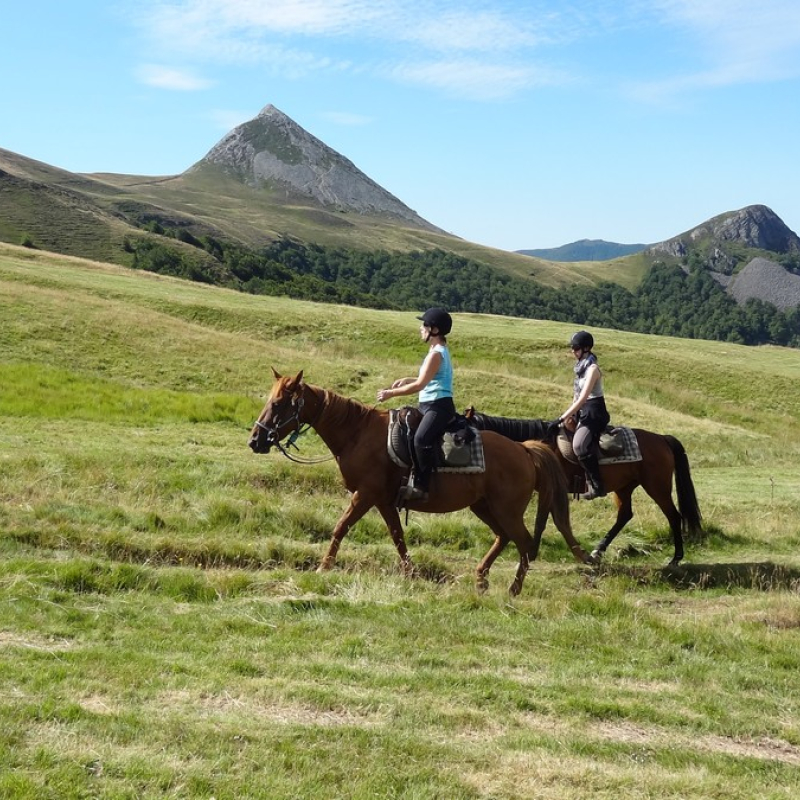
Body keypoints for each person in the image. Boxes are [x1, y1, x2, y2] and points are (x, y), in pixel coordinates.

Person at [377, 307, 455, 502]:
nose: (421, 328)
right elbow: (426, 378)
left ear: (434, 330)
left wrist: (390, 393)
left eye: (425, 325)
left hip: (438, 406)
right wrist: (407, 379)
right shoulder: (436, 351)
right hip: (428, 404)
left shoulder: (436, 354)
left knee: (421, 439)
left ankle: (422, 487)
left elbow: (420, 385)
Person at [558, 330, 610, 500]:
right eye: (572, 347)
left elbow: (583, 397)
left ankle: (597, 485)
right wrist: (567, 416)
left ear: (586, 348)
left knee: (579, 445)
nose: (573, 351)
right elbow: (576, 397)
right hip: (582, 411)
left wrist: (562, 416)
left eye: (576, 348)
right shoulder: (580, 368)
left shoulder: (593, 369)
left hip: (594, 412)